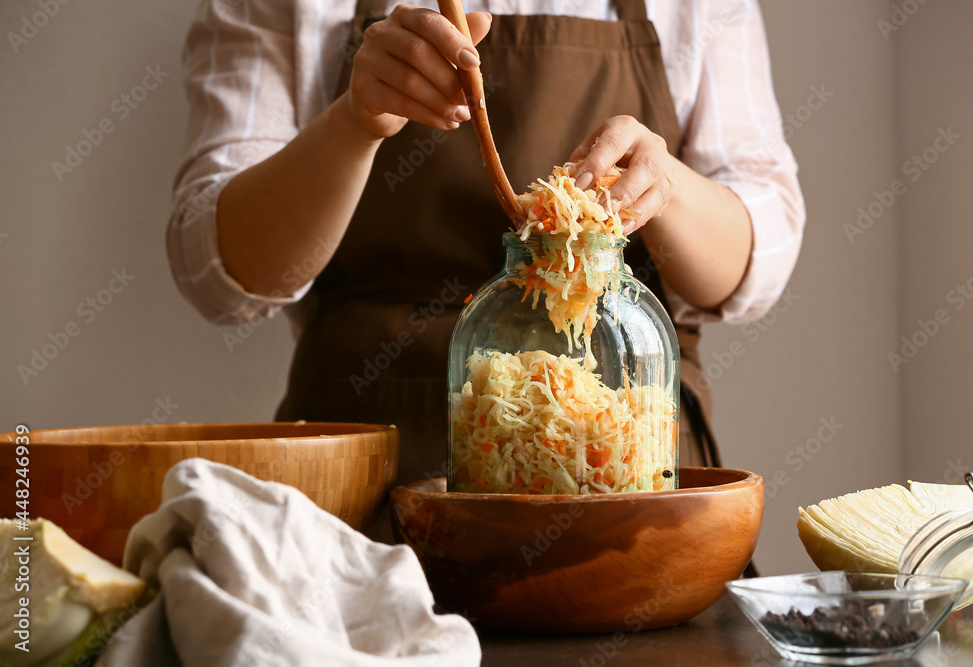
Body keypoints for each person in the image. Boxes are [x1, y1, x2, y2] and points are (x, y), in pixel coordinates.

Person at [168, 0, 805, 485]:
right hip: (359, 483)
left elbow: (758, 262)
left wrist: (667, 187)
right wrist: (355, 123)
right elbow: (219, 272)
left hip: (624, 480)